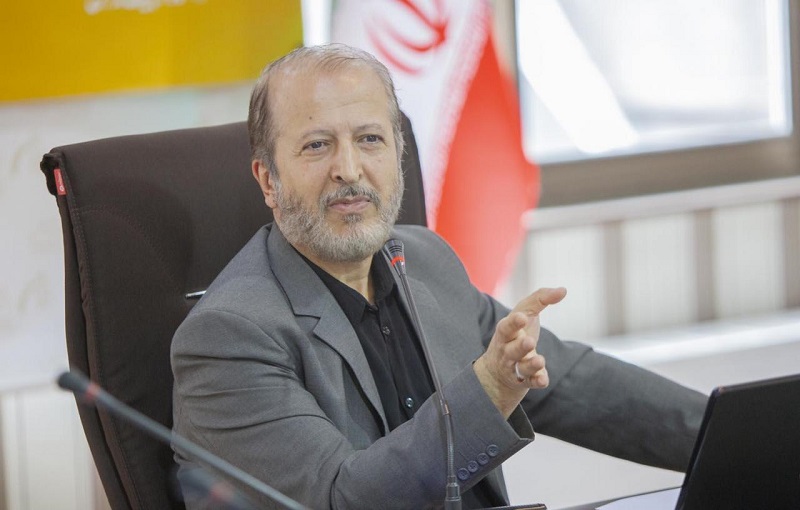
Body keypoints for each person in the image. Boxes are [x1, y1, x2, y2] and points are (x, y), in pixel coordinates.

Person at [171, 44, 706, 509]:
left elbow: (569, 385)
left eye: (370, 139)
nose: (349, 170)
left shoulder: (425, 261)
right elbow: (342, 498)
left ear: (398, 156)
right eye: (317, 145)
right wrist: (488, 392)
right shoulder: (228, 337)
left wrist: (731, 431)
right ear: (268, 180)